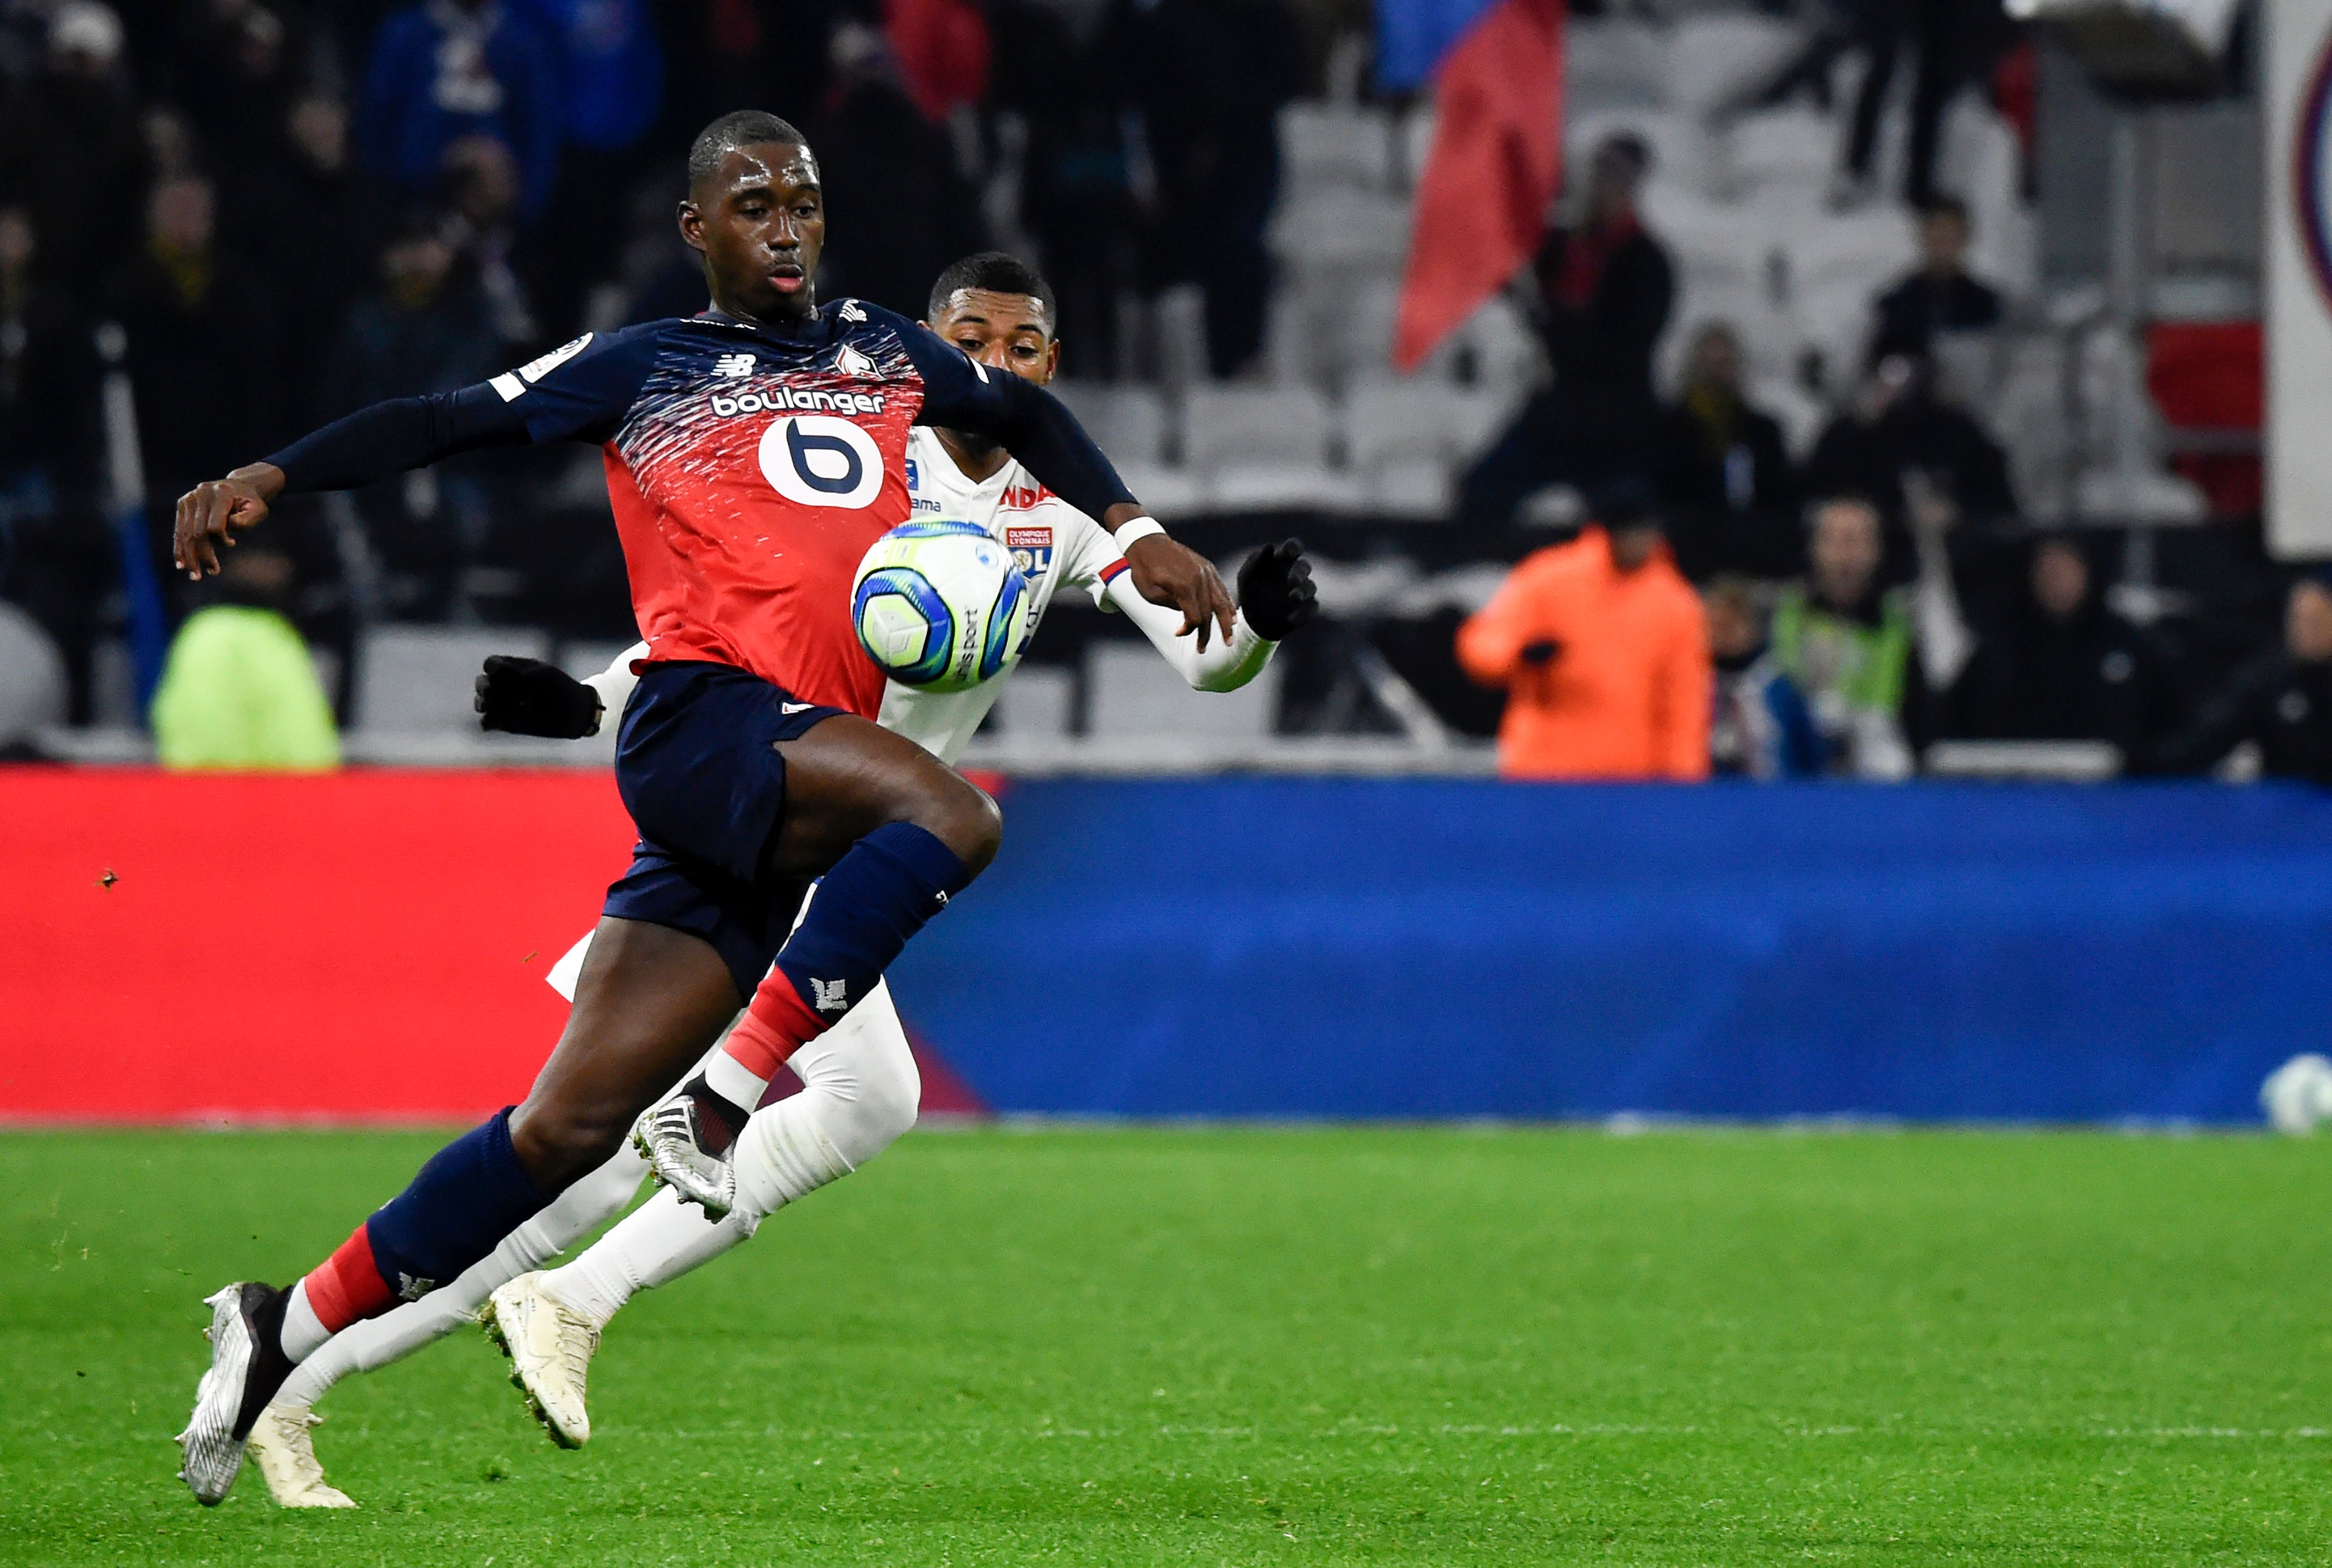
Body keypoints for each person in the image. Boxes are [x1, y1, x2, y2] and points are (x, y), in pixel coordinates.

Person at [173, 111, 1238, 1507]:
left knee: (560, 1136)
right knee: (954, 817)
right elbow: (452, 421)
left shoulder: (883, 352)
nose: (786, 224)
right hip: (704, 721)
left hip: (767, 785)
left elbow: (1025, 414)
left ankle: (282, 1325)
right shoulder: (648, 364)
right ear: (699, 231)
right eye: (754, 205)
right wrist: (273, 472)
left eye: (802, 201)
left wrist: (1139, 529)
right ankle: (728, 1104)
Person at [1459, 135, 1676, 525]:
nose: (1605, 189)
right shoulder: (1562, 248)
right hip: (1557, 414)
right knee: (1481, 491)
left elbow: (1623, 347)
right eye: (1601, 177)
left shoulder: (1649, 263)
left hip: (1616, 424)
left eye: (1618, 181)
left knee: (1627, 519)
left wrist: (1551, 320)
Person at [1454, 484, 1710, 781]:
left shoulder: (1674, 602)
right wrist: (1518, 654)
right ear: (1611, 531)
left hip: (1630, 780)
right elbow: (1482, 643)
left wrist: (1685, 781)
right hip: (1544, 773)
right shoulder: (1549, 579)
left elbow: (1684, 703)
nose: (1644, 541)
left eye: (1650, 532)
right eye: (1635, 531)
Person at [1944, 535, 2182, 765]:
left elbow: (2167, 718)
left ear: (2088, 572)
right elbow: (1959, 718)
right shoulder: (2001, 646)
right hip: (2012, 784)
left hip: (2113, 789)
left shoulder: (2128, 645)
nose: (2055, 578)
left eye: (2065, 569)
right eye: (2046, 570)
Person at [359, 0, 563, 222]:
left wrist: (522, 201)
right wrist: (443, 162)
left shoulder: (523, 39)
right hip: (413, 212)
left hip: (502, 224)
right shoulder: (406, 34)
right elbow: (377, 127)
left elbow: (540, 131)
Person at [149, 545, 339, 771]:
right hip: (276, 792)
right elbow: (304, 742)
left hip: (204, 791)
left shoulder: (203, 632)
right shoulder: (273, 635)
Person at [1771, 495, 1912, 778]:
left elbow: (1890, 698)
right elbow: (1785, 678)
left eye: (1857, 541)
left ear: (1877, 550)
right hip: (1800, 757)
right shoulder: (1789, 611)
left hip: (1875, 762)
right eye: (1834, 541)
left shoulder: (1899, 619)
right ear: (1814, 548)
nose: (1845, 556)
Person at [1650, 322, 1799, 582]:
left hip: (1749, 547)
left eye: (1724, 363)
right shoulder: (1669, 428)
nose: (1716, 374)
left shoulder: (1761, 430)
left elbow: (1780, 494)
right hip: (1692, 544)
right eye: (1709, 364)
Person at [2152, 578, 2332, 786]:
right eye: (2298, 620)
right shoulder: (2270, 678)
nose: (2305, 631)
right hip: (2288, 802)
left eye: (2315, 621)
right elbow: (2210, 737)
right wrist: (2140, 760)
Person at [1706, 577, 1821, 779]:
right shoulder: (1693, 683)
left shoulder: (1780, 686)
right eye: (1717, 624)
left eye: (1733, 624)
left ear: (1753, 626)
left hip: (1772, 796)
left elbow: (1809, 753)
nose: (1725, 633)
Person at [1870, 198, 2003, 364]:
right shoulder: (1896, 304)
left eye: (1951, 234)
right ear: (1923, 237)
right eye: (1937, 233)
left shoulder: (1988, 305)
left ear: (1964, 239)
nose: (1943, 242)